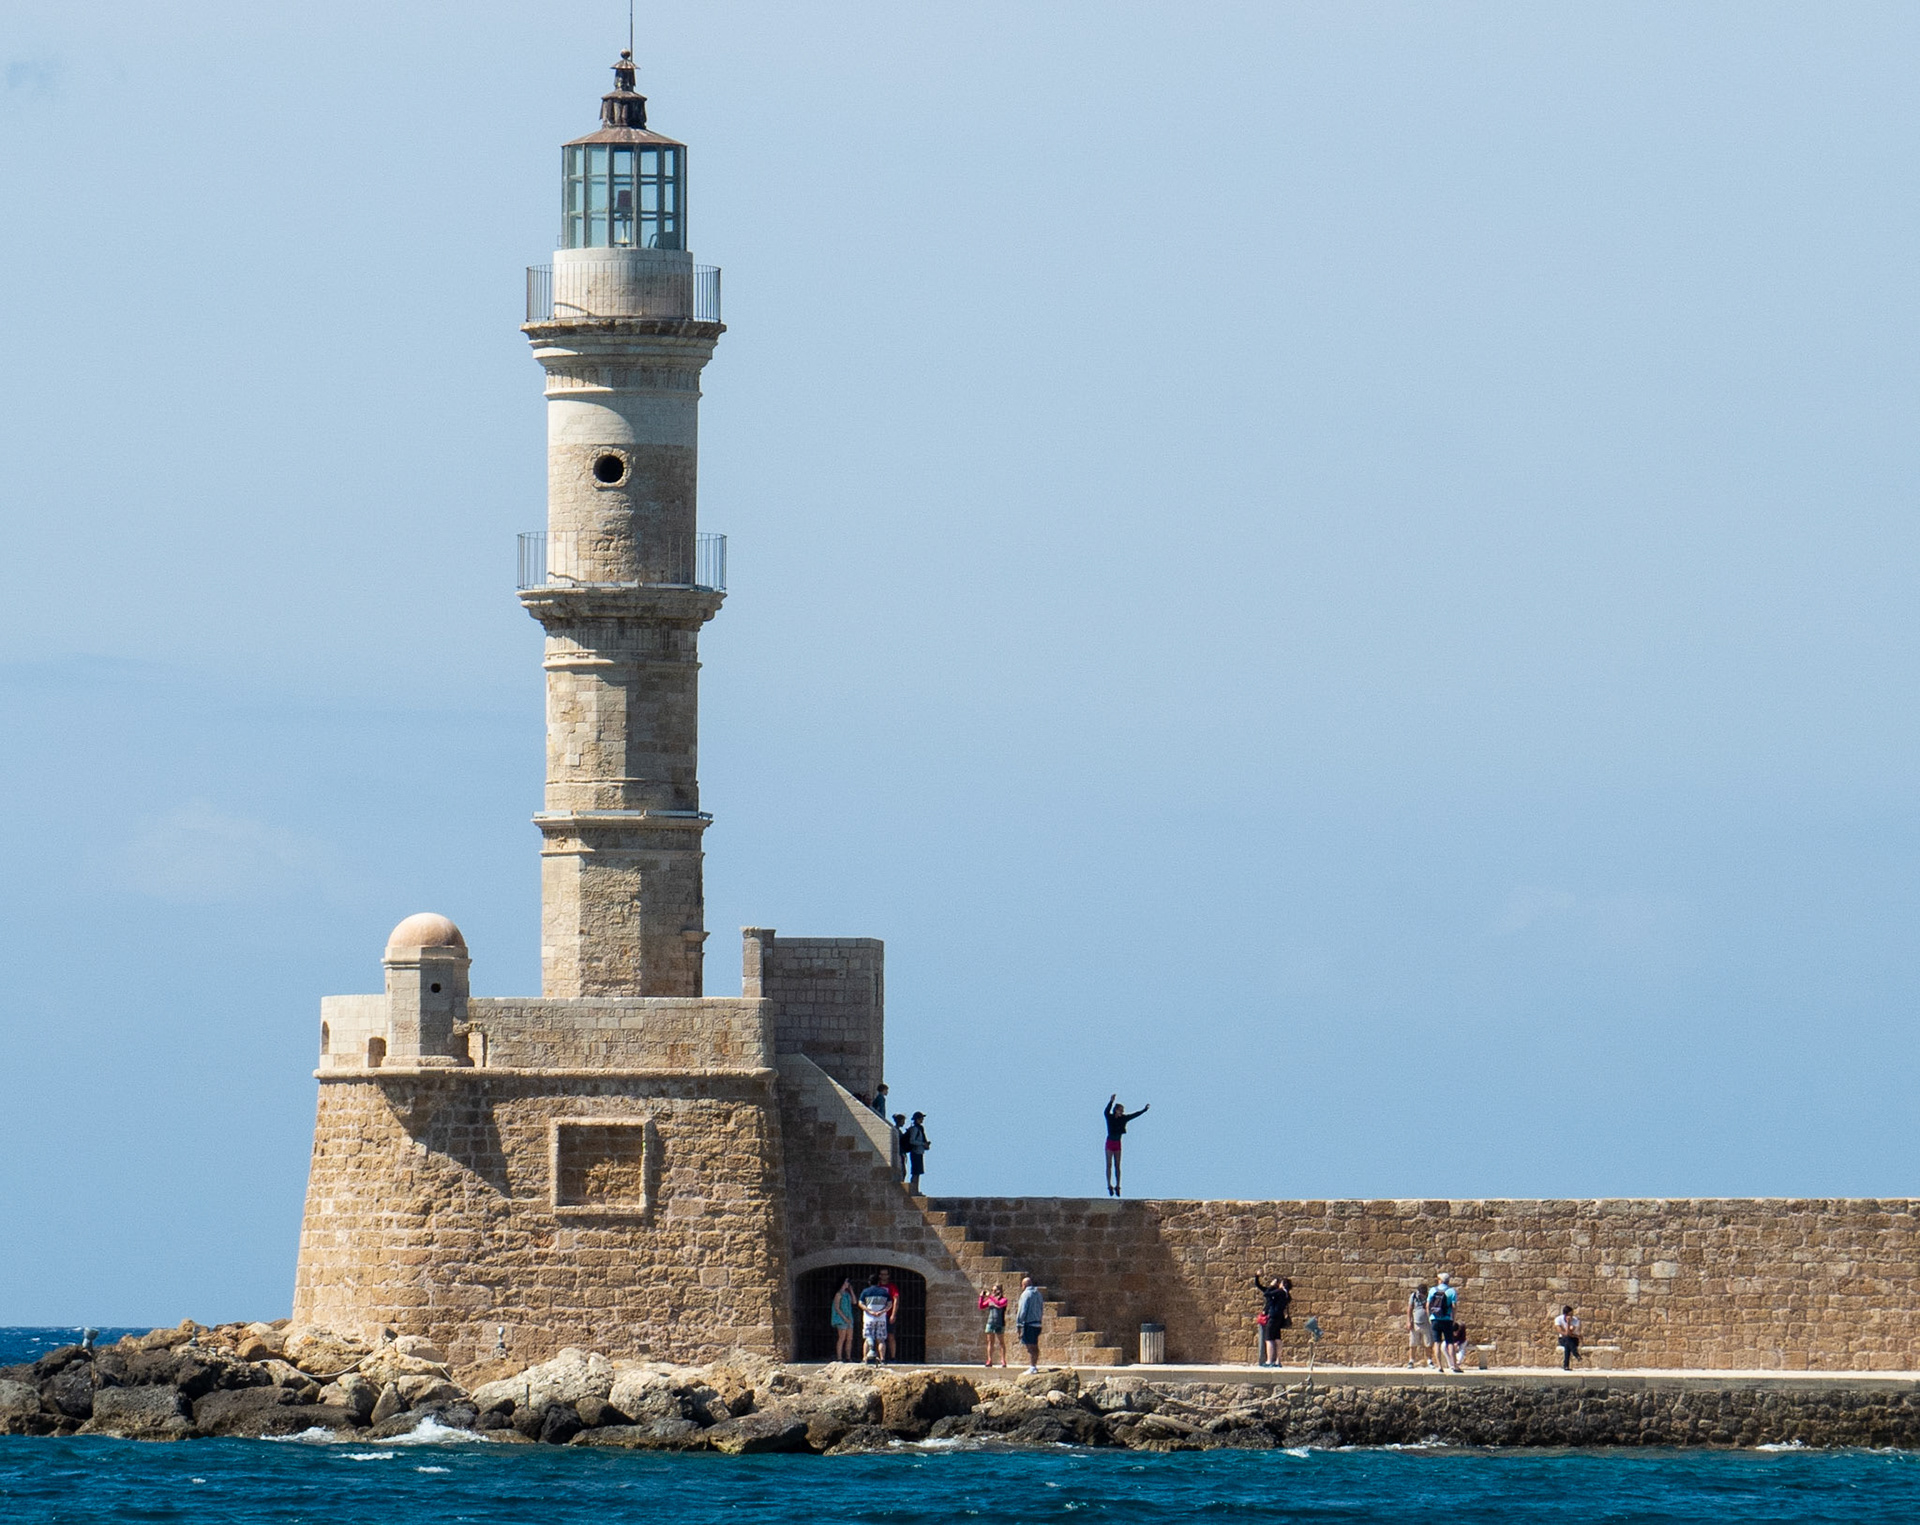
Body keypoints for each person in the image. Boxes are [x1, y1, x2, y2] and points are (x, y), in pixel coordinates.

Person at [1103, 1095, 1150, 1197]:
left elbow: (1134, 1115)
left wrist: (1144, 1110)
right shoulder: (1110, 1117)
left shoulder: (1123, 1119)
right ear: (1116, 1110)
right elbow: (1106, 1111)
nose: (1122, 1112)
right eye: (1120, 1110)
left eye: (1122, 1110)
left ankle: (1118, 1186)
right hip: (1110, 1142)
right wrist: (1111, 1101)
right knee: (1109, 1165)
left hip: (1117, 1143)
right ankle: (1109, 1185)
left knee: (1117, 1165)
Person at [1253, 1274, 1291, 1367]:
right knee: (1277, 1339)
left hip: (1273, 1317)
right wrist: (1257, 1277)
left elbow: (1266, 1293)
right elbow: (1260, 1287)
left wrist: (1271, 1286)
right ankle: (1278, 1361)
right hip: (1279, 1318)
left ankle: (1269, 1361)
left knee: (1269, 1338)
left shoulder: (1279, 1292)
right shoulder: (1286, 1294)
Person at [1427, 1274, 1462, 1372]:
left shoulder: (1432, 1290)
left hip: (1435, 1319)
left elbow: (1428, 1305)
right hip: (1447, 1319)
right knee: (1450, 1343)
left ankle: (1439, 1366)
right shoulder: (1452, 1291)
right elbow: (1454, 1306)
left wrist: (1430, 1317)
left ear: (1440, 1281)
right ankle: (1454, 1366)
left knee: (1437, 1342)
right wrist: (1453, 1319)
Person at [858, 1274, 893, 1365]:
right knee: (881, 1340)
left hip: (869, 1319)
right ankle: (882, 1359)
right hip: (881, 1319)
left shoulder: (865, 1292)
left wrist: (869, 1311)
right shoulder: (884, 1292)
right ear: (879, 1282)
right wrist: (882, 1311)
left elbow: (860, 1303)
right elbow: (890, 1304)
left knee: (867, 1338)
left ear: (869, 1282)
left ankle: (864, 1359)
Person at [1015, 1274, 1045, 1374]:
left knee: (1030, 1346)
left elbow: (1022, 1310)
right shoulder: (1038, 1294)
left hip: (1029, 1324)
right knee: (1035, 1345)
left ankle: (1032, 1367)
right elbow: (1041, 1308)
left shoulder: (1025, 1294)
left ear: (1024, 1285)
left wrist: (1019, 1324)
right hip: (1038, 1323)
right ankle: (1034, 1365)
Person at [980, 1282, 1009, 1368]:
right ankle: (989, 1360)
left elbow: (999, 1304)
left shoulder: (1004, 1300)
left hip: (1000, 1322)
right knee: (990, 1342)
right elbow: (981, 1306)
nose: (993, 1291)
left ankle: (1003, 1360)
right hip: (990, 1322)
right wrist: (981, 1297)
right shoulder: (991, 1300)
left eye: (995, 1290)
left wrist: (990, 1297)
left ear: (999, 1291)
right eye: (992, 1290)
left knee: (1001, 1342)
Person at [830, 1277, 857, 1362]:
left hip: (849, 1318)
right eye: (846, 1282)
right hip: (841, 1318)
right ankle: (839, 1357)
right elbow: (837, 1307)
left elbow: (854, 1302)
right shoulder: (838, 1294)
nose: (848, 1283)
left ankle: (848, 1357)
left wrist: (851, 1291)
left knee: (849, 1338)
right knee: (842, 1337)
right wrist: (844, 1318)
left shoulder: (847, 1294)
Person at [903, 1112, 931, 1192]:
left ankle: (915, 1190)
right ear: (917, 1119)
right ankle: (913, 1190)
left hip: (919, 1152)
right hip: (915, 1152)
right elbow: (912, 1141)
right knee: (915, 1172)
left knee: (918, 1173)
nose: (922, 1120)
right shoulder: (915, 1129)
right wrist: (922, 1144)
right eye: (921, 1118)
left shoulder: (920, 1128)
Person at [1407, 1283, 1433, 1368]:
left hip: (1426, 1323)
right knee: (1413, 1343)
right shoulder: (1414, 1296)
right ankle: (1411, 1361)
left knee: (1428, 1343)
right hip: (1415, 1323)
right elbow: (1410, 1308)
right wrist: (1408, 1321)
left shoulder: (1429, 1296)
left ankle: (1429, 1360)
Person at [881, 1268, 902, 1362]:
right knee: (879, 1337)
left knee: (890, 1336)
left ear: (888, 1276)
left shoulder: (892, 1287)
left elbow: (896, 1299)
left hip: (888, 1315)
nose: (883, 1276)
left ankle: (893, 1357)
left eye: (885, 1274)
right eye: (882, 1274)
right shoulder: (877, 1286)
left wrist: (893, 1314)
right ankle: (880, 1357)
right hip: (878, 1315)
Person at [1555, 1305, 1581, 1370]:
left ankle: (1566, 1365)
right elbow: (1562, 1332)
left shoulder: (1575, 1320)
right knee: (1567, 1340)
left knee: (1567, 1343)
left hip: (1573, 1339)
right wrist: (1568, 1323)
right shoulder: (1558, 1319)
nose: (1572, 1316)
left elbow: (1569, 1333)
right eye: (1570, 1315)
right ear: (1565, 1315)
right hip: (1562, 1339)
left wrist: (1568, 1323)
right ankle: (1576, 1354)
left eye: (1572, 1314)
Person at [891, 1113, 909, 1182]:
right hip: (899, 1153)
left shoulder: (898, 1130)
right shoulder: (895, 1130)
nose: (904, 1123)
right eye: (903, 1121)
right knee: (902, 1171)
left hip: (901, 1153)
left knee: (903, 1172)